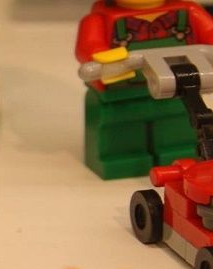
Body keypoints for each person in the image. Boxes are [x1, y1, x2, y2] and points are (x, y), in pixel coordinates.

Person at [77, 0, 213, 179]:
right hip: (122, 93)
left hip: (178, 88)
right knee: (120, 126)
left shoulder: (190, 11)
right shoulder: (98, 19)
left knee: (176, 123)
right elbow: (88, 45)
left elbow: (209, 32)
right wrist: (101, 54)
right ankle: (120, 159)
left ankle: (176, 153)